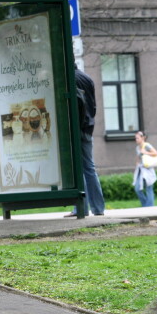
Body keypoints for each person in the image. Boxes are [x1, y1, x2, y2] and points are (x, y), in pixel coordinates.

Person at [65, 64, 106, 217]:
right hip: (87, 127)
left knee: (79, 169)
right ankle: (98, 208)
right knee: (89, 168)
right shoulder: (87, 78)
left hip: (76, 128)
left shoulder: (69, 78)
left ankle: (81, 208)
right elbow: (92, 105)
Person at [132, 131, 157, 207]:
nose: (136, 139)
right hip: (140, 169)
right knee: (137, 189)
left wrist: (146, 152)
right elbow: (138, 158)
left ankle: (149, 206)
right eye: (135, 138)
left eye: (137, 138)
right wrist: (136, 165)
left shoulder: (147, 145)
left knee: (149, 188)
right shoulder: (137, 148)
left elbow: (156, 153)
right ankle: (145, 205)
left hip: (148, 169)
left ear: (143, 138)